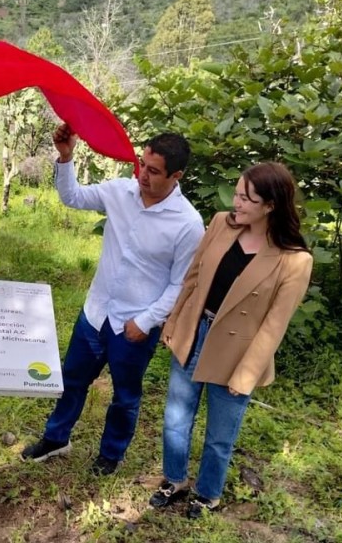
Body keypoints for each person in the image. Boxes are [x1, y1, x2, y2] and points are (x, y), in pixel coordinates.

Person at [21, 124, 204, 476]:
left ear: (176, 175)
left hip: (134, 326)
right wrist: (65, 157)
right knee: (72, 380)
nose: (143, 175)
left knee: (125, 396)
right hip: (96, 313)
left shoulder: (188, 224)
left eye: (153, 171)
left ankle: (111, 453)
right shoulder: (120, 192)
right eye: (141, 164)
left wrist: (146, 322)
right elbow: (72, 197)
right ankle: (57, 437)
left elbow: (179, 284)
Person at [149, 162, 313, 518]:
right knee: (176, 417)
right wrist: (173, 321)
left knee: (219, 435)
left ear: (270, 205)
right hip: (195, 331)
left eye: (246, 198)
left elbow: (274, 325)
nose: (236, 202)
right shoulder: (222, 223)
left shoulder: (295, 260)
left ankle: (208, 494)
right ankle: (174, 479)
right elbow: (192, 279)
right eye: (237, 192)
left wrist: (247, 373)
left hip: (238, 352)